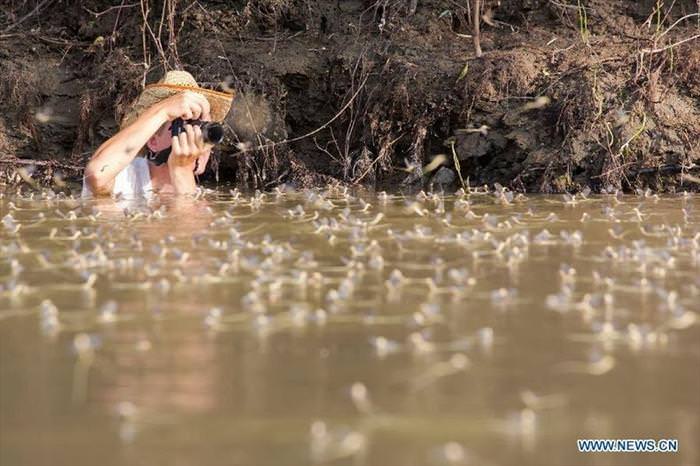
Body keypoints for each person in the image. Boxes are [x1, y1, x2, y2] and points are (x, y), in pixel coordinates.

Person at [83, 70, 233, 197]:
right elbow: (96, 175)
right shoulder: (126, 178)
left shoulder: (202, 196)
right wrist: (163, 111)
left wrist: (182, 170)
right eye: (186, 125)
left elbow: (190, 229)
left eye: (202, 125)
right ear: (153, 141)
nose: (198, 137)